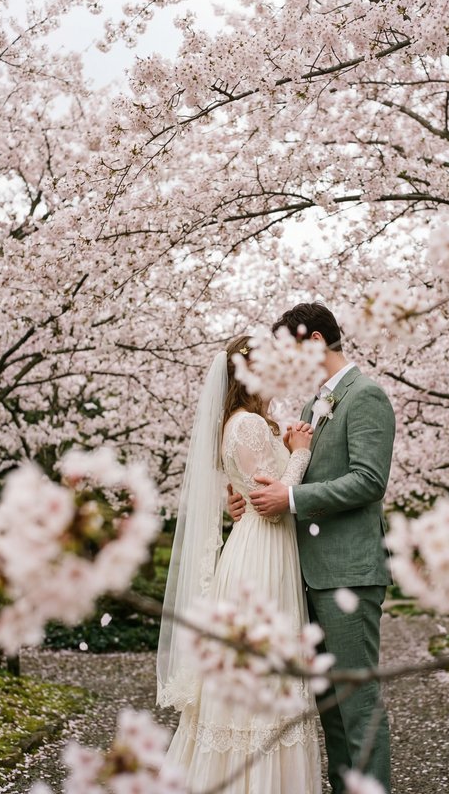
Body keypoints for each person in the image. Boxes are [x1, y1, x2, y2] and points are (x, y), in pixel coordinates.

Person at [228, 302, 396, 794]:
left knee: (358, 705)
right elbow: (291, 477)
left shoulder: (365, 396)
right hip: (305, 575)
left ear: (316, 341)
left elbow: (369, 480)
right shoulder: (310, 408)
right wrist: (250, 498)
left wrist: (291, 498)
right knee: (330, 711)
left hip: (348, 573)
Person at [157, 335, 322, 793]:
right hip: (262, 551)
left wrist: (280, 450)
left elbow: (249, 491)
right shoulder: (247, 424)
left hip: (255, 544)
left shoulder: (238, 423)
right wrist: (300, 451)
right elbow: (269, 499)